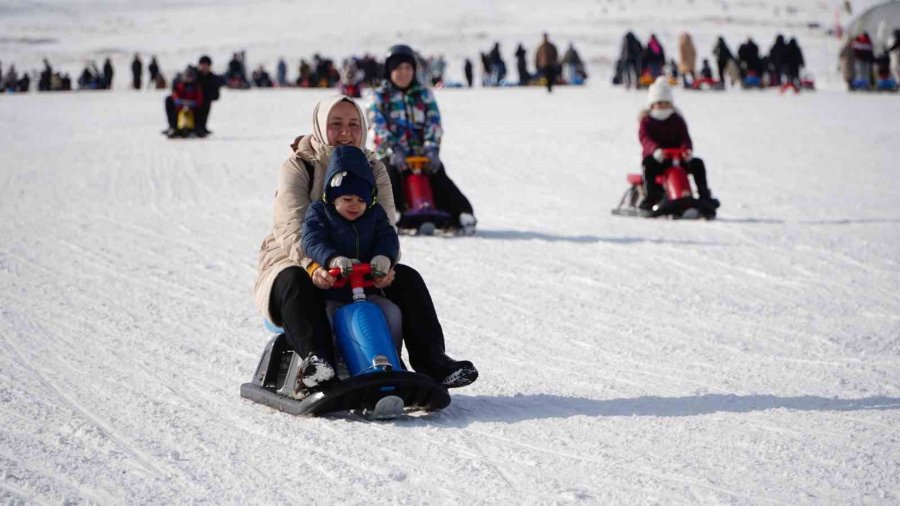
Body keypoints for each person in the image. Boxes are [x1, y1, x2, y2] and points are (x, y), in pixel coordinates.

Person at [254, 95, 478, 396]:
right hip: (296, 258)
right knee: (296, 282)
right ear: (321, 127)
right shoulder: (300, 166)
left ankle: (433, 360)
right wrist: (313, 265)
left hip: (357, 267)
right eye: (336, 124)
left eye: (353, 124)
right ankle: (317, 364)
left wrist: (386, 263)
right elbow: (290, 226)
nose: (346, 132)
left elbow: (385, 226)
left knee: (408, 279)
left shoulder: (373, 167)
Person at [298, 145, 402, 397]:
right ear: (333, 196)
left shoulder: (375, 215)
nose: (354, 205)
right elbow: (310, 240)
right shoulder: (319, 212)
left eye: (361, 200)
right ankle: (330, 368)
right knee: (324, 321)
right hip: (332, 292)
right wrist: (332, 259)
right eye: (347, 199)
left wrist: (383, 258)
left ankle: (391, 362)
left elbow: (388, 238)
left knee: (391, 312)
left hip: (365, 290)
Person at [368, 44, 477, 234]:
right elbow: (376, 126)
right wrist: (392, 148)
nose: (404, 73)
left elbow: (433, 123)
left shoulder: (424, 95)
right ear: (389, 71)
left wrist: (431, 148)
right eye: (398, 69)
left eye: (408, 68)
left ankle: (460, 213)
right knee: (388, 175)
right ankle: (392, 215)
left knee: (438, 175)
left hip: (421, 154)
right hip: (392, 154)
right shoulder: (380, 97)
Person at [637, 77, 718, 214]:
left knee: (698, 164)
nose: (663, 106)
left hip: (678, 158)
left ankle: (704, 195)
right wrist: (655, 150)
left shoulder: (677, 120)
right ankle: (650, 198)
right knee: (648, 164)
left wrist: (686, 150)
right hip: (658, 159)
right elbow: (645, 139)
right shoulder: (646, 122)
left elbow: (685, 138)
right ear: (652, 105)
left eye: (666, 103)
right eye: (659, 103)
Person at [163, 66, 204, 137]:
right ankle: (173, 127)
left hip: (192, 110)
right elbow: (175, 95)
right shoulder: (179, 86)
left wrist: (194, 103)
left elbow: (199, 98)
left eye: (191, 77)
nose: (189, 79)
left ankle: (197, 128)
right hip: (180, 109)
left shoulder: (196, 87)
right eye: (187, 76)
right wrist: (178, 102)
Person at [196, 55, 222, 135]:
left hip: (203, 102)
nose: (204, 67)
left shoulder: (213, 78)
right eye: (202, 65)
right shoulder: (194, 75)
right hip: (190, 99)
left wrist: (207, 94)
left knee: (206, 101)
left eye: (206, 65)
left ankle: (201, 127)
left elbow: (216, 96)